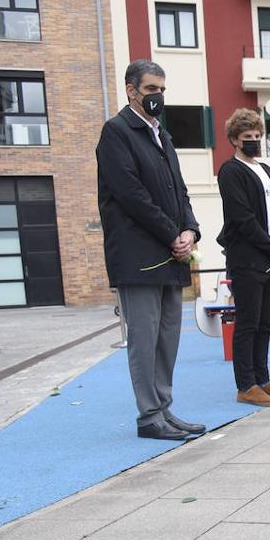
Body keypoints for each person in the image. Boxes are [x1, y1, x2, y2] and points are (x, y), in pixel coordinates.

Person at [96, 59, 204, 441]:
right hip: (140, 257)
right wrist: (170, 233)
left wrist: (190, 229)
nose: (158, 96)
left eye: (162, 89)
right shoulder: (117, 132)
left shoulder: (162, 135)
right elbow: (130, 195)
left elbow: (180, 190)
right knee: (144, 339)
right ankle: (148, 415)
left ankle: (164, 407)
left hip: (171, 255)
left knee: (167, 336)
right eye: (151, 89)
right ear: (131, 90)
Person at [215, 108, 270, 407]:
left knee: (265, 322)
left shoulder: (267, 170)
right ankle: (245, 384)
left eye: (257, 136)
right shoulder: (230, 171)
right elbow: (242, 218)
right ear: (234, 140)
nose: (254, 141)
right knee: (247, 323)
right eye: (247, 137)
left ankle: (263, 378)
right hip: (248, 258)